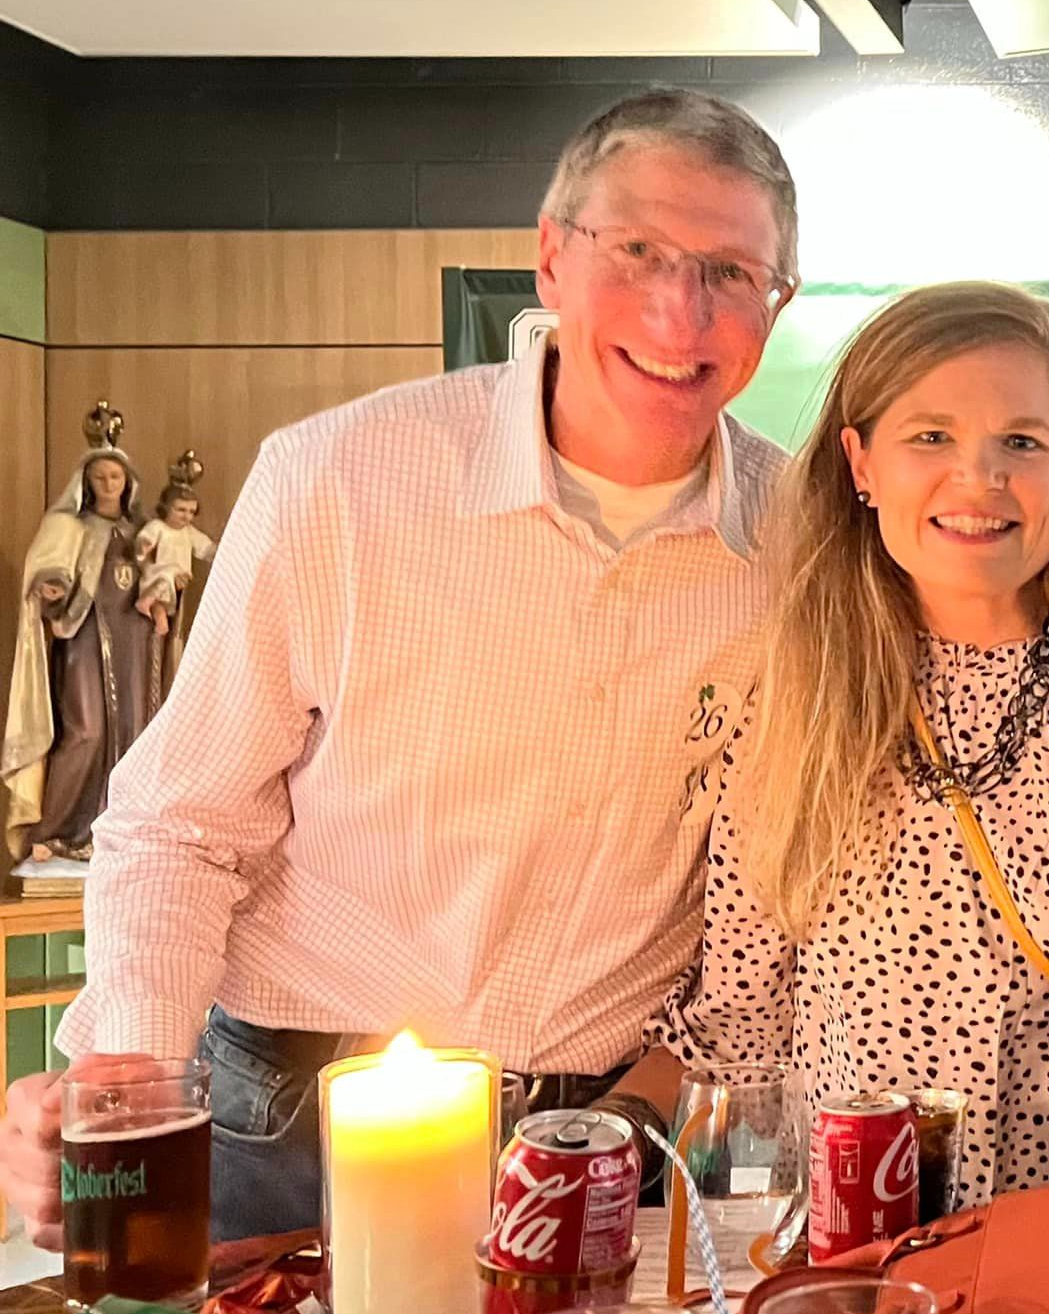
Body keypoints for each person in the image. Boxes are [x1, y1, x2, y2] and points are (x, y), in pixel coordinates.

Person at [0, 88, 798, 1245]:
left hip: (600, 1139)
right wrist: (121, 1082)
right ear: (552, 260)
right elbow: (183, 819)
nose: (682, 312)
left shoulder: (801, 544)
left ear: (775, 304)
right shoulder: (339, 478)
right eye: (639, 252)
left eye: (732, 272)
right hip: (286, 1123)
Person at [618, 283, 1049, 1313]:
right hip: (884, 1282)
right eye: (930, 434)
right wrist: (571, 1144)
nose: (977, 479)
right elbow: (740, 1025)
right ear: (861, 463)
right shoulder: (796, 699)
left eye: (1023, 442)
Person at [3, 410, 156, 864]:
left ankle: (119, 828)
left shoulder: (142, 531)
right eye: (100, 477)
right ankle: (56, 831)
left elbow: (170, 571)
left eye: (116, 476)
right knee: (86, 731)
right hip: (83, 639)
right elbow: (47, 574)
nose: (109, 484)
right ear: (86, 483)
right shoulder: (67, 526)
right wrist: (51, 587)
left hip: (135, 640)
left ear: (127, 483)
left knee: (134, 733)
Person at [135, 453, 216, 638]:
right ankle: (150, 605)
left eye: (191, 512)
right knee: (166, 575)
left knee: (170, 583)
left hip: (181, 578)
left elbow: (205, 548)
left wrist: (221, 551)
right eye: (180, 510)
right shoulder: (159, 527)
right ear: (166, 507)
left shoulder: (188, 532)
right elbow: (145, 538)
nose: (186, 516)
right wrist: (144, 545)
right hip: (158, 573)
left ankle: (158, 611)